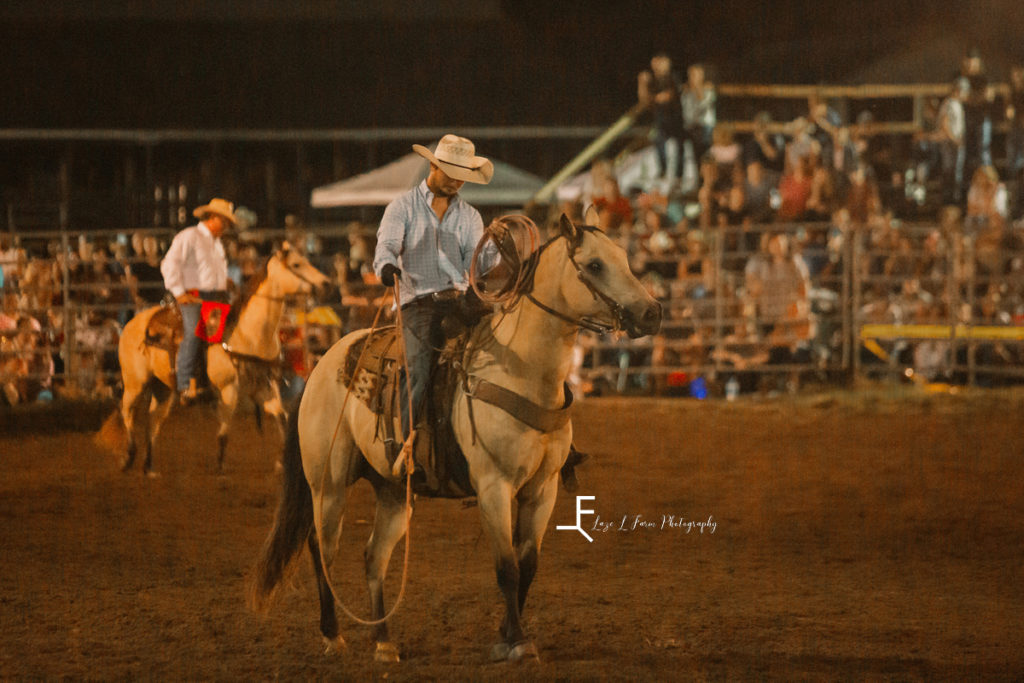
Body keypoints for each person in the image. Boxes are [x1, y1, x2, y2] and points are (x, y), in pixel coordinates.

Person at [373, 135, 495, 454]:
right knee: (418, 368)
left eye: (462, 176)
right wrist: (387, 266)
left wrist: (495, 260)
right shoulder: (402, 208)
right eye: (451, 173)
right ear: (433, 166)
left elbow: (476, 263)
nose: (456, 182)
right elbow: (386, 246)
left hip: (461, 303)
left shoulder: (470, 217)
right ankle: (400, 444)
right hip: (419, 304)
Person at [160, 198, 235, 404]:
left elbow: (209, 270)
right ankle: (184, 385)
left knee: (213, 341)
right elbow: (170, 264)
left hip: (213, 297)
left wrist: (224, 282)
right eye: (225, 221)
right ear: (213, 218)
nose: (227, 226)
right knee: (193, 334)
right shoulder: (189, 237)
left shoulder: (216, 243)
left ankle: (204, 384)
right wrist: (178, 292)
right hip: (193, 295)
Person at [638, 53, 685, 185]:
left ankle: (678, 174)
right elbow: (646, 101)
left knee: (679, 146)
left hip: (675, 117)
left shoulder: (672, 77)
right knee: (659, 141)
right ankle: (663, 169)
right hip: (661, 118)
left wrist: (655, 98)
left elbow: (668, 95)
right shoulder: (652, 81)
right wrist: (642, 84)